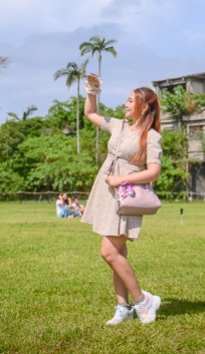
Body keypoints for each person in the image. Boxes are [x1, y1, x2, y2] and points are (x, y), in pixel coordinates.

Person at [80, 74, 162, 325]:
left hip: (126, 194)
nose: (125, 105)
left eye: (129, 101)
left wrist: (120, 181)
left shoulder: (151, 136)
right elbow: (91, 114)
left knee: (108, 252)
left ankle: (142, 300)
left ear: (144, 106)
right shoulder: (119, 125)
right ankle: (123, 307)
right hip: (106, 191)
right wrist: (93, 89)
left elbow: (154, 171)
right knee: (118, 251)